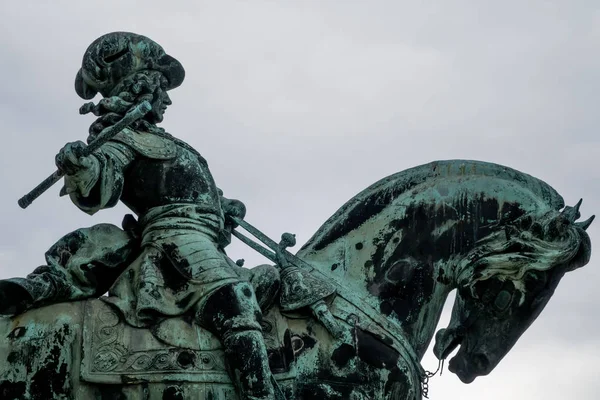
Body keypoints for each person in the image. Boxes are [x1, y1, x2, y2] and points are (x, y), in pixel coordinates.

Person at [5, 32, 278, 400]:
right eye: (161, 87)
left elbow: (190, 192)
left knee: (276, 289)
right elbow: (101, 180)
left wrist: (221, 208)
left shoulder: (166, 141)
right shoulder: (123, 137)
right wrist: (81, 165)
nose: (166, 98)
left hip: (206, 242)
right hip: (176, 247)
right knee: (236, 302)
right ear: (140, 86)